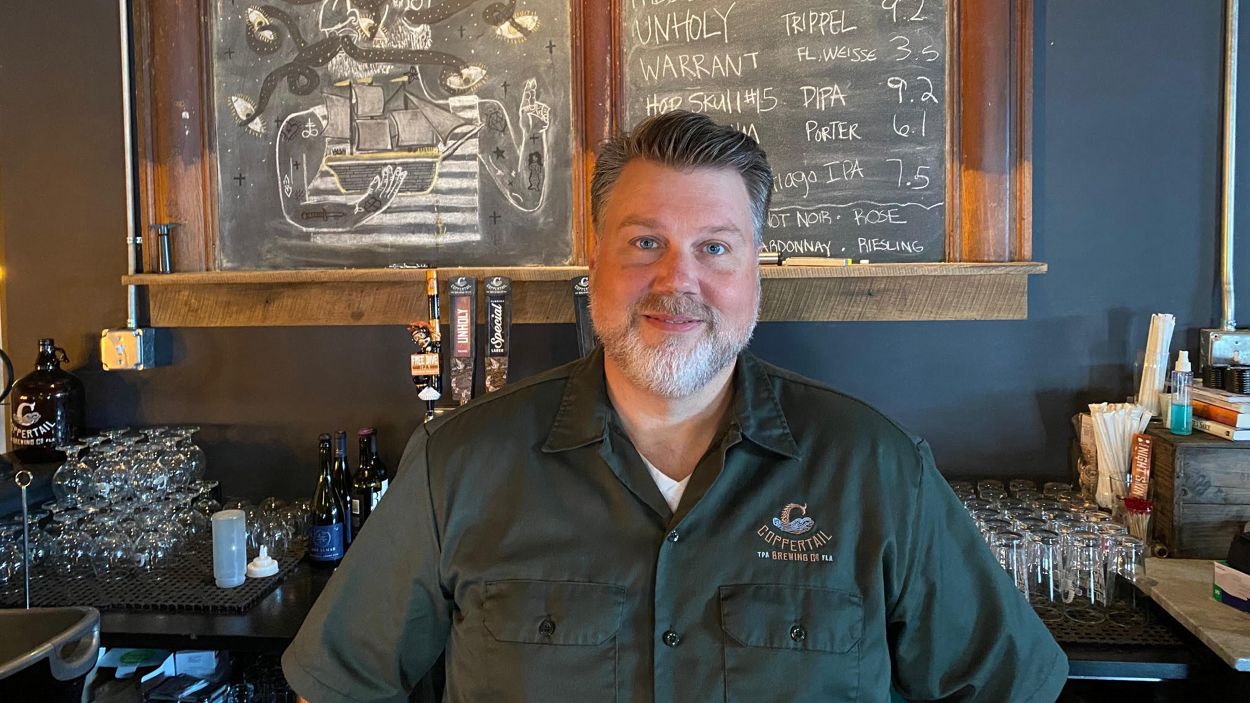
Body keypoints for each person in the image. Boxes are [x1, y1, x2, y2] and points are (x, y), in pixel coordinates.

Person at [282, 110, 1069, 702]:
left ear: (755, 272)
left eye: (714, 247)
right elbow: (339, 684)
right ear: (595, 260)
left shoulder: (876, 469)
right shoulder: (458, 464)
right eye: (644, 242)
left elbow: (1007, 685)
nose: (676, 281)